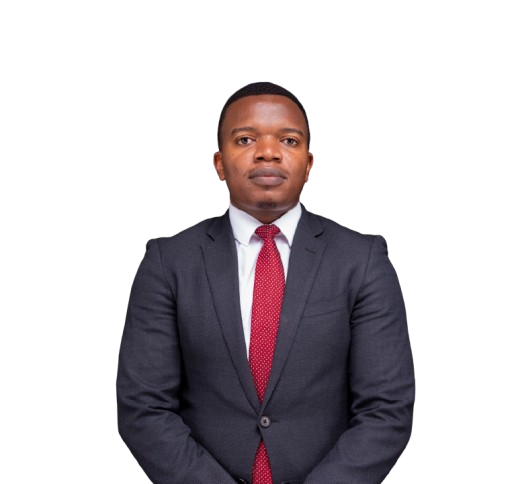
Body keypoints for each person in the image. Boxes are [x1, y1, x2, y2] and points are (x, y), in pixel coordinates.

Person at [116, 81, 415, 484]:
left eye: (289, 140)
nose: (268, 151)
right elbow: (143, 407)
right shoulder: (168, 262)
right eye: (246, 139)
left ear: (308, 164)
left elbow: (387, 408)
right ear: (219, 163)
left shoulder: (362, 260)